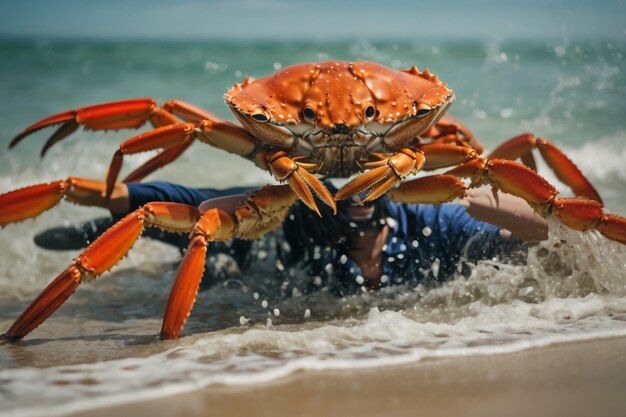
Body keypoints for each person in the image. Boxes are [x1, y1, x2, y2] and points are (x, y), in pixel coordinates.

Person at [34, 181, 548, 296]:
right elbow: (193, 197)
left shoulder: (434, 225)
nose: (356, 187)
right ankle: (89, 231)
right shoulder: (297, 211)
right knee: (200, 243)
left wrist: (491, 197)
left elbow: (537, 240)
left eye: (370, 176)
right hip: (261, 257)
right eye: (344, 179)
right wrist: (111, 196)